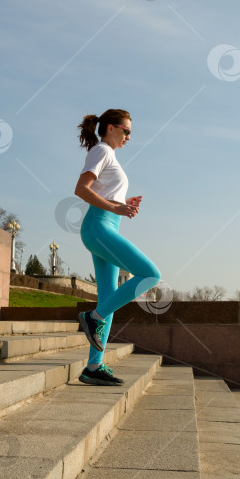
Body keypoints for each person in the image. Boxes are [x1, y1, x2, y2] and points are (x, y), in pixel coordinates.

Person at [73, 109, 161, 385]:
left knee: (109, 296)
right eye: (126, 131)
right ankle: (92, 317)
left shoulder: (109, 155)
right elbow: (81, 188)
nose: (129, 136)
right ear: (110, 128)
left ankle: (93, 366)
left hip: (106, 227)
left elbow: (103, 190)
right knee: (150, 274)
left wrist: (122, 201)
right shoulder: (101, 151)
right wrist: (116, 207)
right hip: (98, 228)